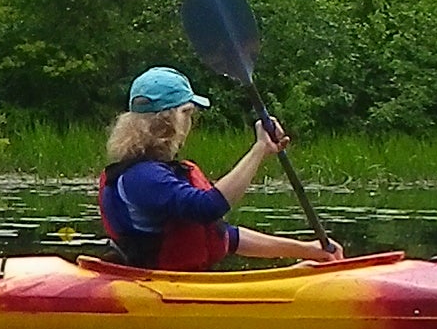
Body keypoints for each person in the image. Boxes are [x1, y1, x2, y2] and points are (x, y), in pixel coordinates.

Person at [95, 64, 335, 266]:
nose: (190, 123)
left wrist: (308, 250)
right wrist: (259, 149)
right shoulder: (143, 177)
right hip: (155, 290)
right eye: (188, 114)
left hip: (173, 285)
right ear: (172, 119)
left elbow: (227, 236)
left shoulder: (152, 173)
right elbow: (208, 207)